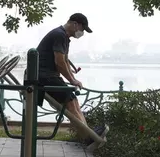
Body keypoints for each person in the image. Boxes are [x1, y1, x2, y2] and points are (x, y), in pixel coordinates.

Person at [36, 13, 109, 145]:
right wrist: (72, 80)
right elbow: (59, 62)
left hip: (49, 76)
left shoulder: (64, 37)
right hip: (43, 77)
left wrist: (73, 78)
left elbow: (64, 60)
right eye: (82, 29)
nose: (82, 33)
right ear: (75, 24)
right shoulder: (59, 35)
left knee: (73, 100)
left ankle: (88, 135)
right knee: (70, 101)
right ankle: (88, 136)